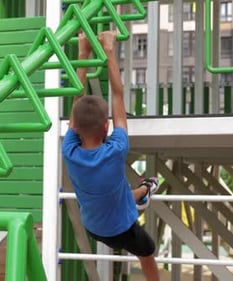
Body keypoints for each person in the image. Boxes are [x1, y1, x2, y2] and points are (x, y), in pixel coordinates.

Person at [62, 31, 160, 281]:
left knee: (120, 191)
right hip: (121, 229)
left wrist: (83, 53)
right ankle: (144, 191)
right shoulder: (116, 150)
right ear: (105, 127)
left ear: (75, 127)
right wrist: (110, 51)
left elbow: (77, 101)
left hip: (93, 226)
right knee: (148, 253)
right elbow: (118, 96)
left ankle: (144, 189)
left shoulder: (70, 150)